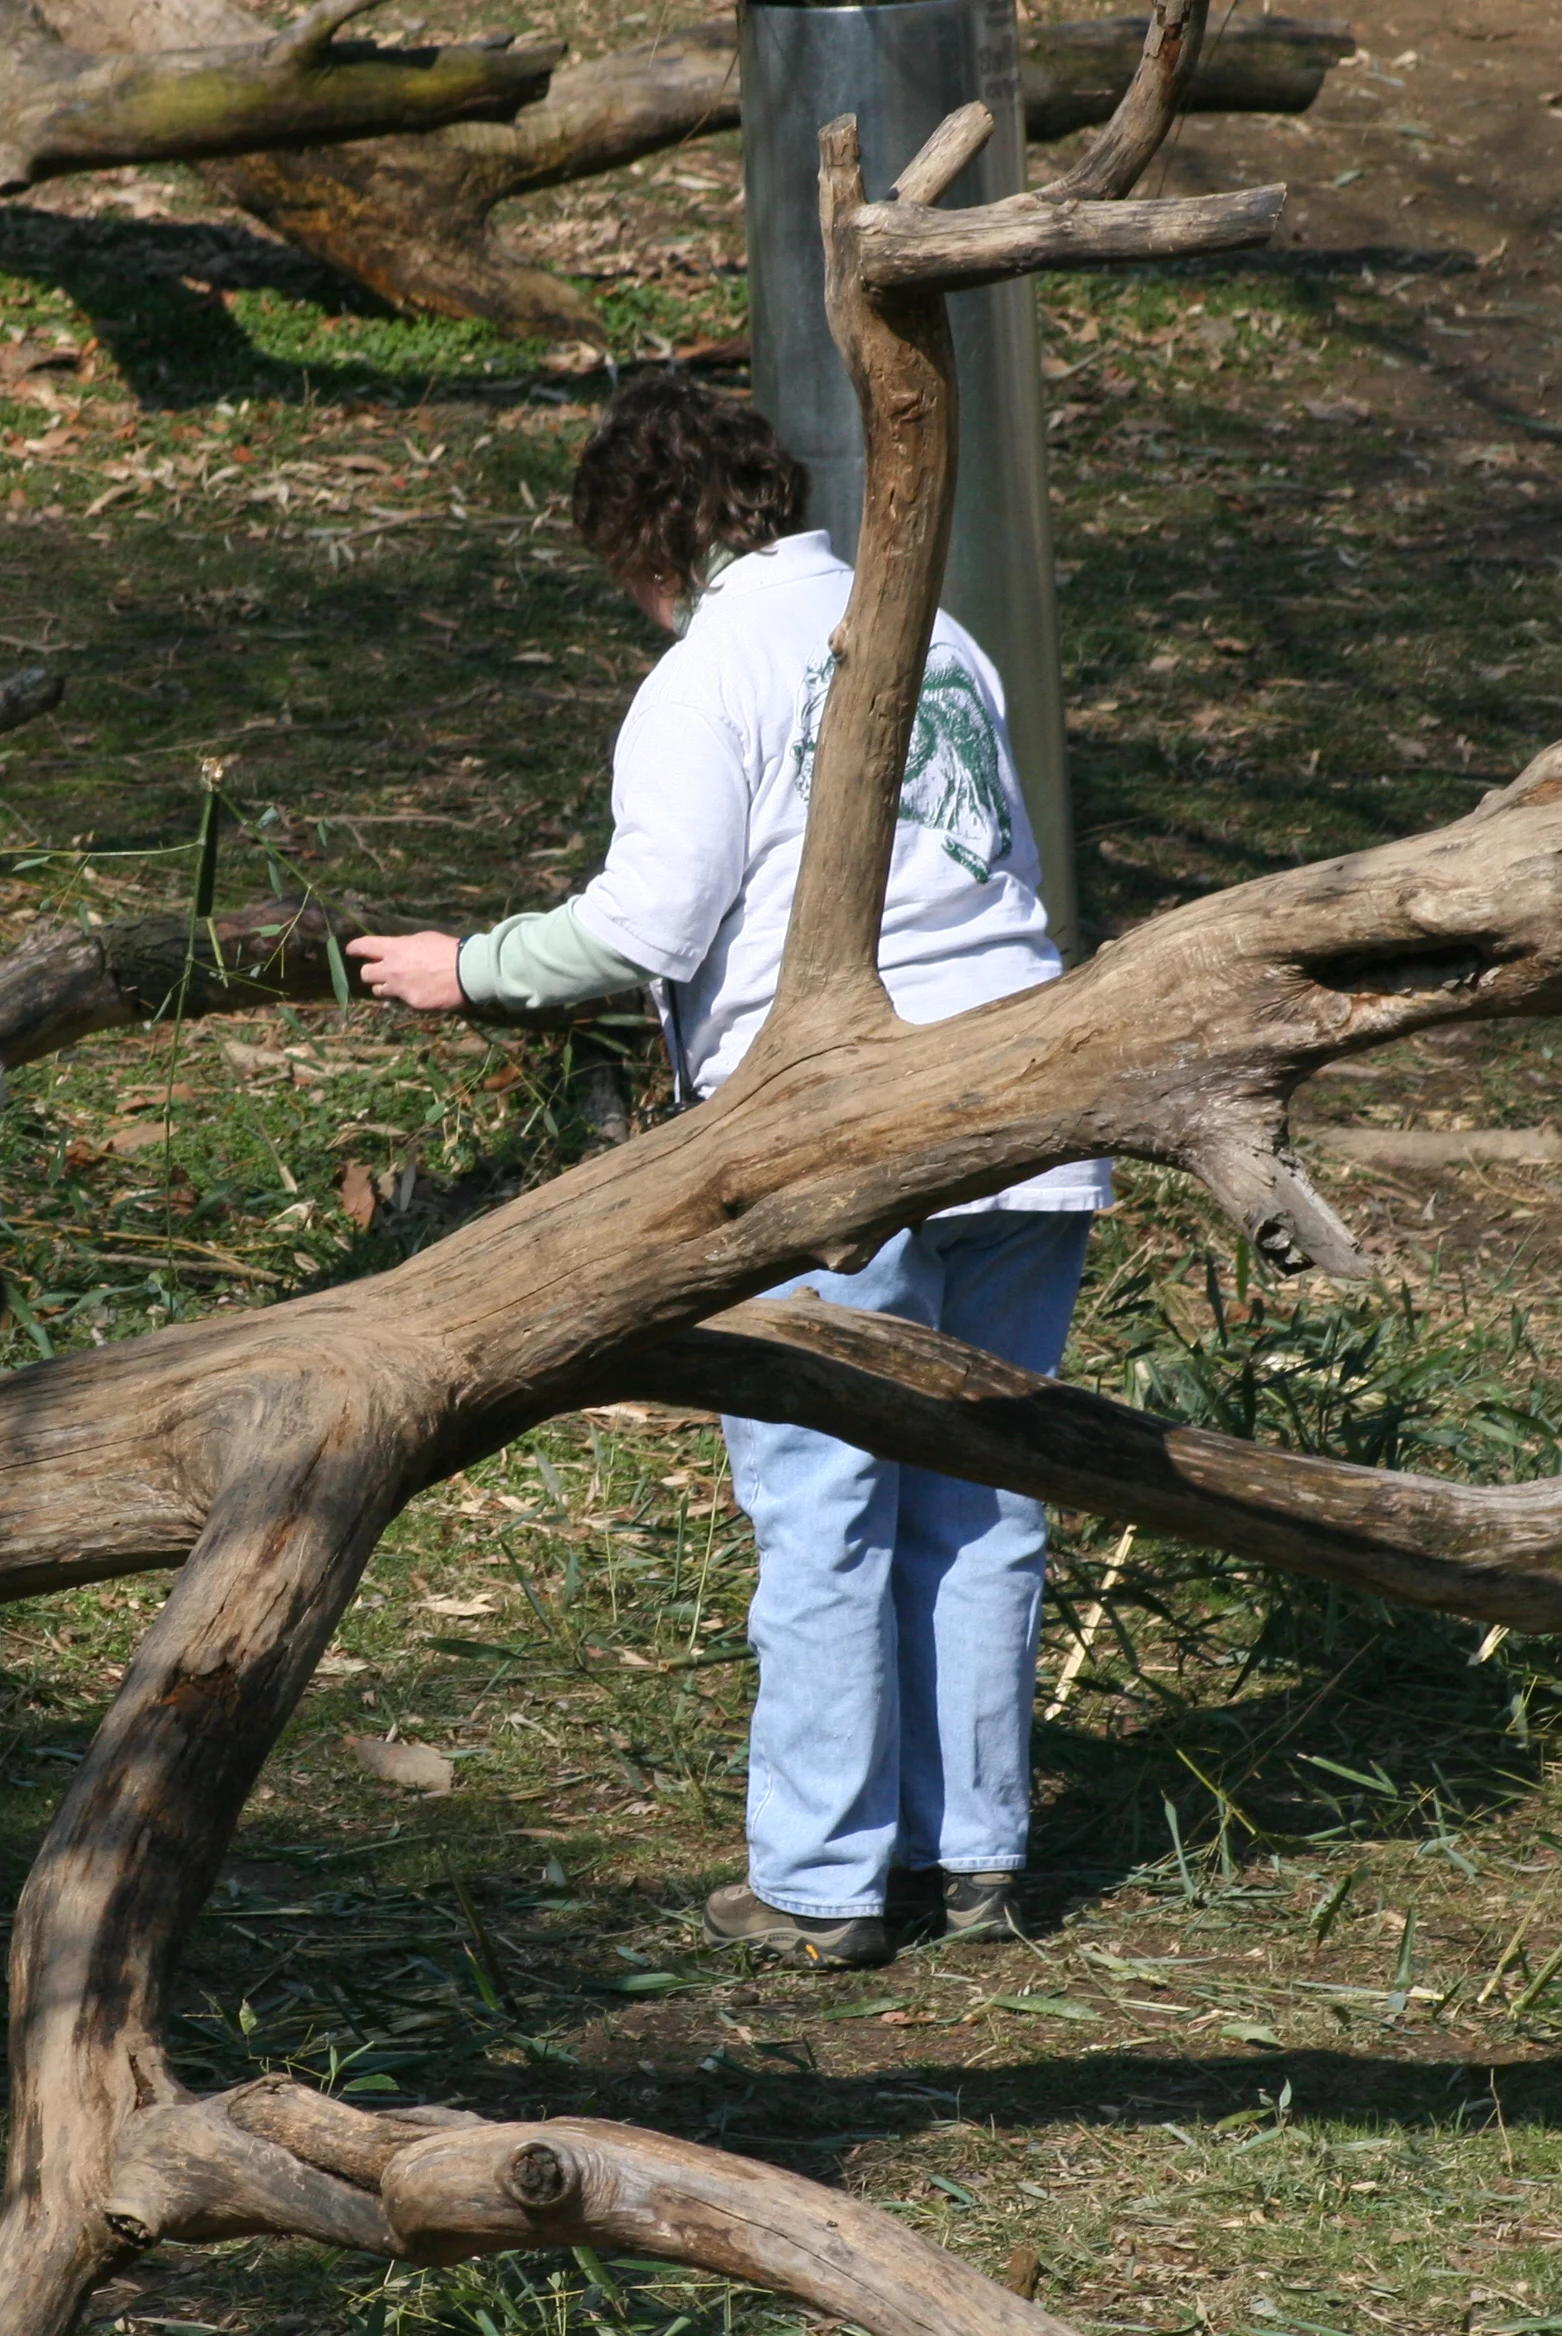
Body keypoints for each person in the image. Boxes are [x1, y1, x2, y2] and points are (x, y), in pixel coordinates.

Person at [345, 372, 1104, 1965]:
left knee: (825, 1501)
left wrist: (465, 966)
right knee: (985, 1496)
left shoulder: (713, 672)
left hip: (839, 1133)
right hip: (1026, 1102)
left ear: (648, 545)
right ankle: (973, 1857)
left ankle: (822, 1882)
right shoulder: (939, 637)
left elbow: (646, 923)